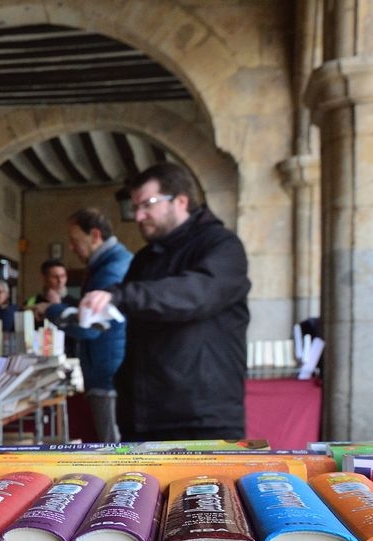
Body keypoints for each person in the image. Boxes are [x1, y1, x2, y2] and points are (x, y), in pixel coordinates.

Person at [81, 163, 250, 440]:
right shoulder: (145, 259)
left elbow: (194, 294)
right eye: (135, 207)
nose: (138, 215)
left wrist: (120, 295)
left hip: (202, 417)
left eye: (147, 204)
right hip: (142, 415)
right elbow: (133, 308)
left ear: (180, 201)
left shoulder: (222, 246)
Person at [44, 208, 132, 441]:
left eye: (75, 241)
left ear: (95, 235)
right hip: (109, 371)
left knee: (114, 451)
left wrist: (50, 309)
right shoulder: (110, 263)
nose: (71, 248)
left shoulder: (109, 270)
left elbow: (89, 327)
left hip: (108, 375)